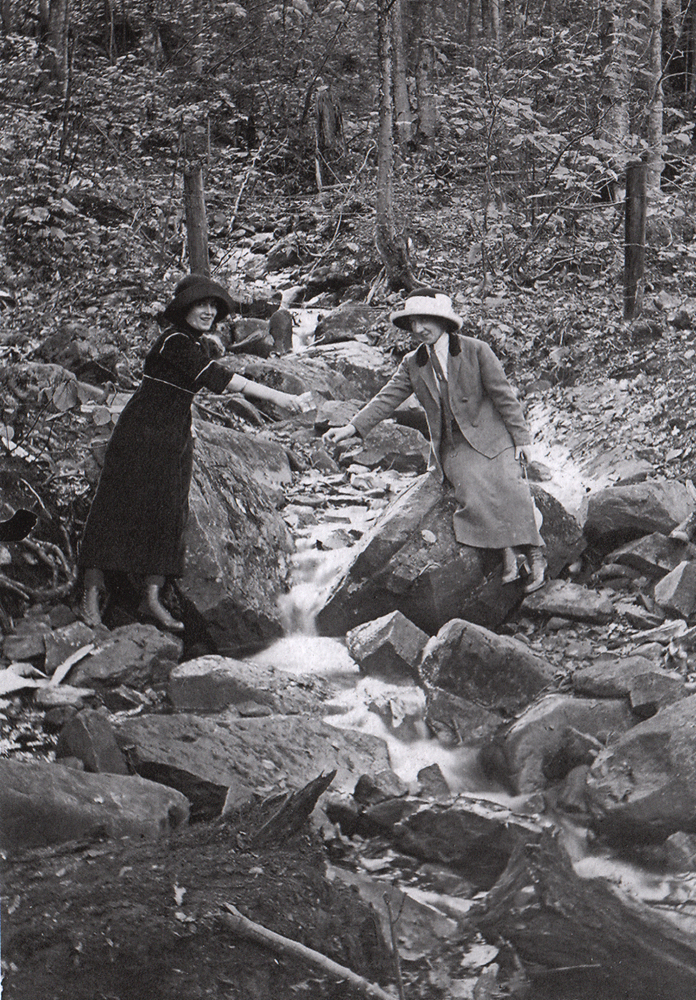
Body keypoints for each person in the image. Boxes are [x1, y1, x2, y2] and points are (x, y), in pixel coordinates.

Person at [79, 274, 303, 631]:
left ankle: (152, 597)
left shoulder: (193, 342)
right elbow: (221, 379)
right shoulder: (174, 342)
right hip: (141, 431)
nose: (208, 311)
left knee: (170, 510)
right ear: (184, 308)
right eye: (201, 304)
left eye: (213, 306)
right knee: (116, 504)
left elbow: (188, 389)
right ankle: (91, 593)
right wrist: (282, 397)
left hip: (175, 433)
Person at [324, 288, 546, 593]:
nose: (418, 329)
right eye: (414, 322)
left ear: (444, 321)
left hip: (493, 435)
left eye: (425, 321)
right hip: (452, 444)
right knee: (469, 484)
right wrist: (352, 428)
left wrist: (522, 439)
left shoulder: (477, 350)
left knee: (508, 481)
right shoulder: (413, 363)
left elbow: (504, 396)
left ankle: (534, 553)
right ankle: (507, 550)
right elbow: (386, 398)